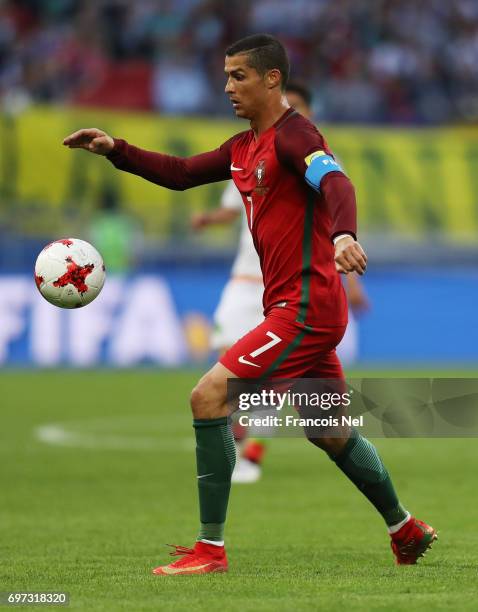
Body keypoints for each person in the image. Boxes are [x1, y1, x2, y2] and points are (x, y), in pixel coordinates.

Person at [63, 34, 436, 575]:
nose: (227, 86)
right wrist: (115, 149)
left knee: (209, 395)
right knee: (328, 428)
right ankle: (405, 529)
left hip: (305, 307)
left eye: (238, 75)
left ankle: (209, 550)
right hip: (293, 306)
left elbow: (336, 182)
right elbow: (181, 173)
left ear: (272, 78)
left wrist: (343, 235)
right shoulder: (244, 148)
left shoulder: (295, 136)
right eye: (225, 75)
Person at [191, 82, 370, 483]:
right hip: (246, 281)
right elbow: (224, 203)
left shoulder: (316, 159)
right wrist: (207, 220)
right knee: (226, 360)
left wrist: (352, 278)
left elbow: (337, 213)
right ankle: (241, 436)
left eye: (302, 107)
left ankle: (252, 448)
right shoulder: (250, 152)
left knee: (276, 382)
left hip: (298, 291)